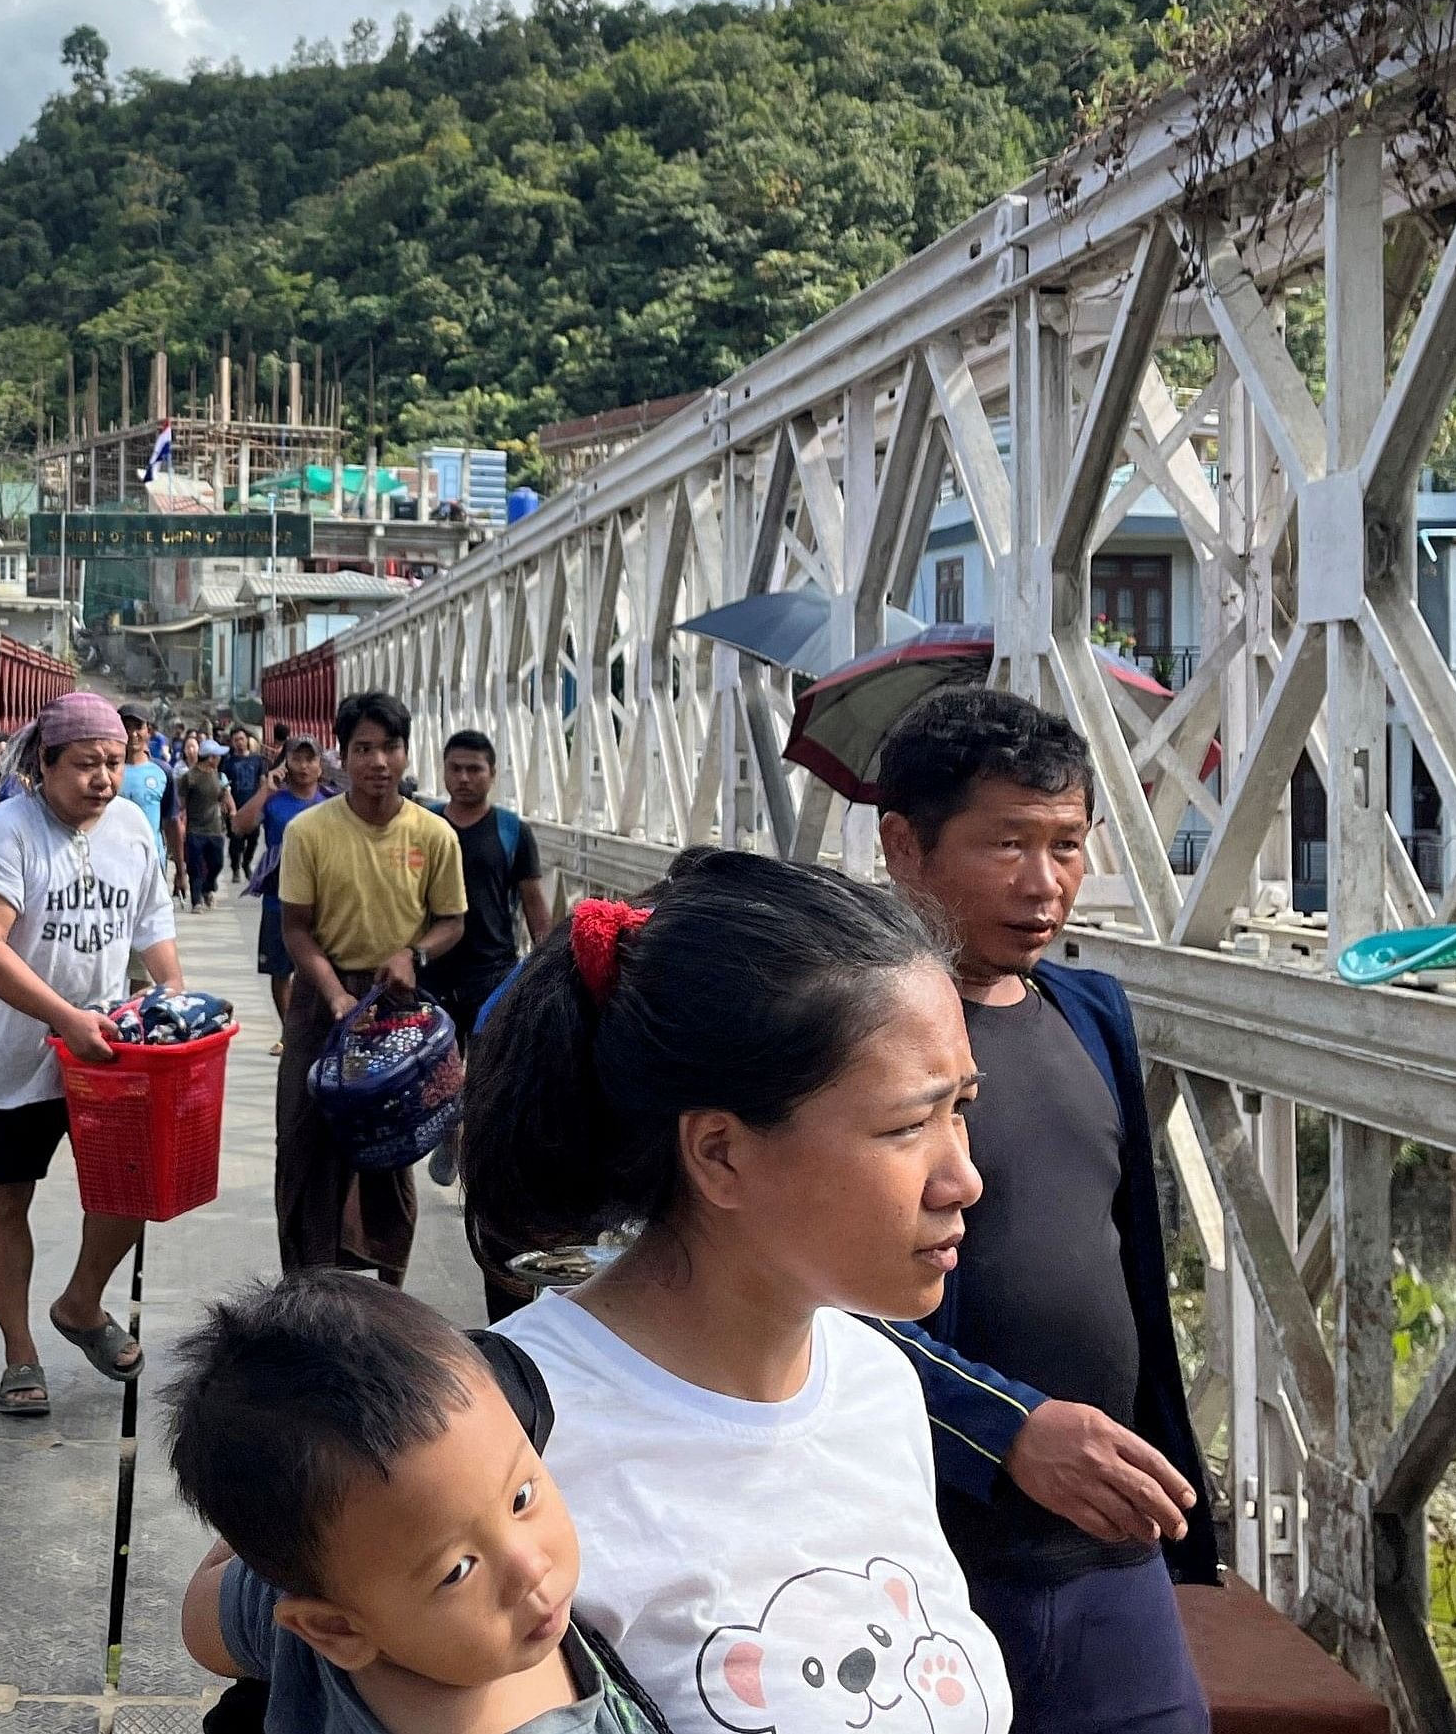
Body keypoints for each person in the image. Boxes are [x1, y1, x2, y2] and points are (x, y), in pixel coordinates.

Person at [462, 852, 1006, 1732]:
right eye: (909, 1125)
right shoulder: (504, 1439)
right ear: (719, 1151)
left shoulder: (876, 1382)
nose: (964, 1177)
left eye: (962, 1108)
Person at [872, 687, 1215, 1734]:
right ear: (902, 845)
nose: (1044, 882)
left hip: (1107, 1540)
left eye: (1067, 843)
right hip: (923, 1545)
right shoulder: (847, 1035)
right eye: (1005, 843)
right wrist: (1002, 1428)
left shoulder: (1092, 1011)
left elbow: (1121, 1259)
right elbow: (802, 1295)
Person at [166, 1273, 661, 1734]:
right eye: (457, 1570)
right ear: (335, 1629)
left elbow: (201, 1622)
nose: (529, 1566)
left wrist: (274, 1519)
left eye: (521, 1497)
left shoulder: (331, 1593)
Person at [0, 690, 181, 1417]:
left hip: (106, 1051)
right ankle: (20, 1352)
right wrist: (62, 1016)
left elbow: (152, 926)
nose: (103, 778)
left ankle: (82, 1303)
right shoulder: (6, 831)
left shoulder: (134, 830)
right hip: (10, 1051)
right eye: (85, 764)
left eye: (113, 762)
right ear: (44, 763)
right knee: (4, 1199)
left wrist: (174, 989)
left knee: (130, 1185)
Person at [272, 693, 466, 1282]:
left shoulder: (434, 835)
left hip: (395, 1004)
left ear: (406, 754)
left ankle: (387, 1288)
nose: (377, 761)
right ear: (344, 756)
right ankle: (308, 1289)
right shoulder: (310, 832)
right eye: (363, 749)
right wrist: (333, 994)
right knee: (305, 1142)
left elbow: (452, 919)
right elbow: (296, 930)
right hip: (321, 998)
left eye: (389, 747)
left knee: (391, 1143)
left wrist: (416, 954)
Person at [428, 730, 550, 1045]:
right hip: (432, 973)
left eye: (474, 769)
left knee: (489, 1074)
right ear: (443, 771)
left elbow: (533, 903)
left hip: (492, 974)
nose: (464, 778)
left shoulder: (513, 831)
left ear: (492, 774)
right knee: (437, 1081)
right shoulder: (424, 827)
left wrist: (549, 965)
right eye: (455, 769)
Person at [233, 736, 336, 1045]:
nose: (303, 766)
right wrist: (266, 789)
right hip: (279, 899)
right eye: (296, 759)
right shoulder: (274, 800)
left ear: (320, 766)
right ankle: (290, 1032)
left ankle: (315, 1030)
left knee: (320, 967)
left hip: (323, 902)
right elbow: (240, 825)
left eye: (310, 759)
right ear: (285, 763)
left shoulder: (332, 803)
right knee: (280, 970)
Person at [120, 703, 182, 891]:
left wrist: (180, 869)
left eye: (138, 727)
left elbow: (171, 822)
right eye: (126, 727)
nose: (132, 734)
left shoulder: (162, 772)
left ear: (149, 731)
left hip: (152, 865)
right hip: (114, 864)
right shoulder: (105, 771)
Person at [177, 739, 233, 910]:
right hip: (195, 829)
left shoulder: (218, 775)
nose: (220, 759)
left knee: (217, 863)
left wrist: (232, 810)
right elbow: (181, 803)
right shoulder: (189, 777)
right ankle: (197, 901)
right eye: (218, 756)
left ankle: (207, 888)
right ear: (210, 757)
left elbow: (224, 796)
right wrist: (180, 824)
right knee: (195, 867)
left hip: (215, 829)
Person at [223, 727, 265, 880]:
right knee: (236, 842)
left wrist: (262, 802)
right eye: (236, 740)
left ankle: (247, 863)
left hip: (253, 807)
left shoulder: (257, 760)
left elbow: (262, 782)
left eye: (241, 739)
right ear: (232, 743)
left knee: (253, 840)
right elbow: (224, 786)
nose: (239, 742)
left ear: (247, 739)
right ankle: (235, 868)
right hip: (236, 808)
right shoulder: (228, 763)